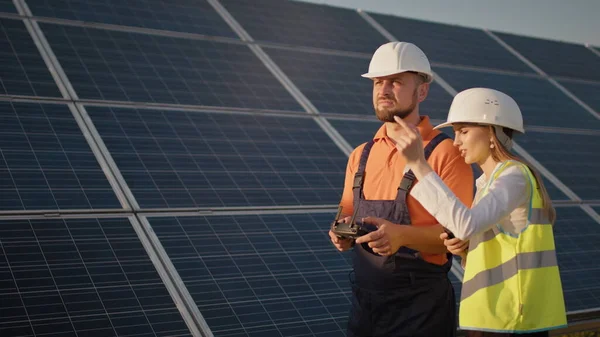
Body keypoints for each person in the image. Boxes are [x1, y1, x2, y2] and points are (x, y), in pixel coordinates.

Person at [390, 87, 567, 337]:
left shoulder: (513, 176)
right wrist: (465, 249)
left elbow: (466, 225)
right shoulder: (487, 183)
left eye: (464, 131)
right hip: (495, 317)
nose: (456, 141)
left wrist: (419, 164)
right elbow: (492, 244)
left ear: (492, 132)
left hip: (514, 319)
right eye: (455, 133)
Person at [328, 41, 474, 337]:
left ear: (422, 91)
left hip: (420, 310)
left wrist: (401, 236)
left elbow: (461, 235)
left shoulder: (445, 153)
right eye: (378, 82)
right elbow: (345, 210)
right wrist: (339, 230)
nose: (383, 90)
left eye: (395, 82)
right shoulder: (360, 155)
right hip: (364, 307)